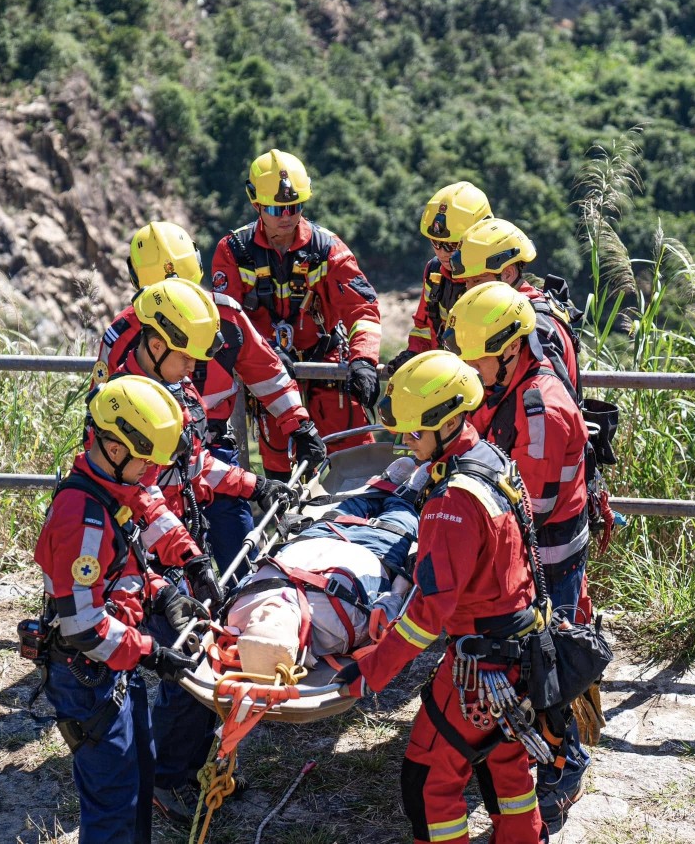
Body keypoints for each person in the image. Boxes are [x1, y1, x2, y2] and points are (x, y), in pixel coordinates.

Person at [107, 276, 300, 825]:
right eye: (187, 358)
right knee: (189, 662)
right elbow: (135, 500)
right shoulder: (126, 410)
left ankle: (188, 765)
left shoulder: (178, 393)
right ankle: (167, 780)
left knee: (201, 656)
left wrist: (252, 485)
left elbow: (195, 467)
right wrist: (188, 558)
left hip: (175, 544)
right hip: (142, 558)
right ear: (157, 345)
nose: (196, 369)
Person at [336, 350, 547, 844]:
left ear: (448, 422)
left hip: (481, 662)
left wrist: (370, 673)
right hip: (521, 649)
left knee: (430, 779)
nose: (406, 445)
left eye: (413, 433)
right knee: (506, 767)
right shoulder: (489, 458)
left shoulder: (452, 501)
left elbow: (429, 617)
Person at [33, 375, 210, 844]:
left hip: (112, 667)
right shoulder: (83, 516)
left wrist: (163, 592)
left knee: (137, 779)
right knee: (112, 802)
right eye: (146, 462)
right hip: (87, 674)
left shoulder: (112, 495)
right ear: (114, 447)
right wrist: (152, 653)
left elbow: (122, 573)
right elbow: (83, 625)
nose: (152, 475)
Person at [93, 220, 327, 573]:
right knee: (166, 566)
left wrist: (299, 427)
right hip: (148, 461)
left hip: (205, 453)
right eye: (182, 354)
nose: (190, 365)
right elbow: (106, 420)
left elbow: (268, 375)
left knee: (237, 560)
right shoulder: (212, 319)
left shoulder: (220, 319)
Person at [443, 283, 590, 832]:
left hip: (547, 559)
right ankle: (526, 761)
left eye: (477, 358)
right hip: (528, 553)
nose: (471, 370)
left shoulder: (540, 408)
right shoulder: (506, 390)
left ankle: (564, 770)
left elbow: (529, 500)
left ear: (509, 349)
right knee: (524, 668)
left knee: (547, 671)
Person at [211, 149, 382, 477]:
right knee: (279, 465)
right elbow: (227, 320)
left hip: (325, 361)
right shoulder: (234, 252)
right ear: (256, 204)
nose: (287, 216)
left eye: (295, 206)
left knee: (354, 457)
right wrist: (267, 354)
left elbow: (362, 307)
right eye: (277, 208)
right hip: (266, 369)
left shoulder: (326, 248)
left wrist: (363, 361)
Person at [225, 456, 420, 674]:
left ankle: (385, 482)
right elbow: (383, 614)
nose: (266, 613)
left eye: (255, 623)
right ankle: (409, 493)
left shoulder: (238, 612)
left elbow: (251, 574)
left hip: (315, 539)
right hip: (373, 552)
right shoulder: (336, 635)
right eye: (275, 626)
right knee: (402, 520)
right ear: (297, 642)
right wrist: (400, 587)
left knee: (351, 506)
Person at [450, 217, 581, 400]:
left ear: (508, 273)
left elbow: (549, 395)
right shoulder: (527, 307)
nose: (470, 290)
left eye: (477, 280)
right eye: (467, 282)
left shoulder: (530, 323)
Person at [385, 181, 492, 376]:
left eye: (451, 245)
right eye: (436, 242)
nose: (442, 253)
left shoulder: (493, 277)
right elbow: (424, 327)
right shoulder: (434, 272)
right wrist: (414, 353)